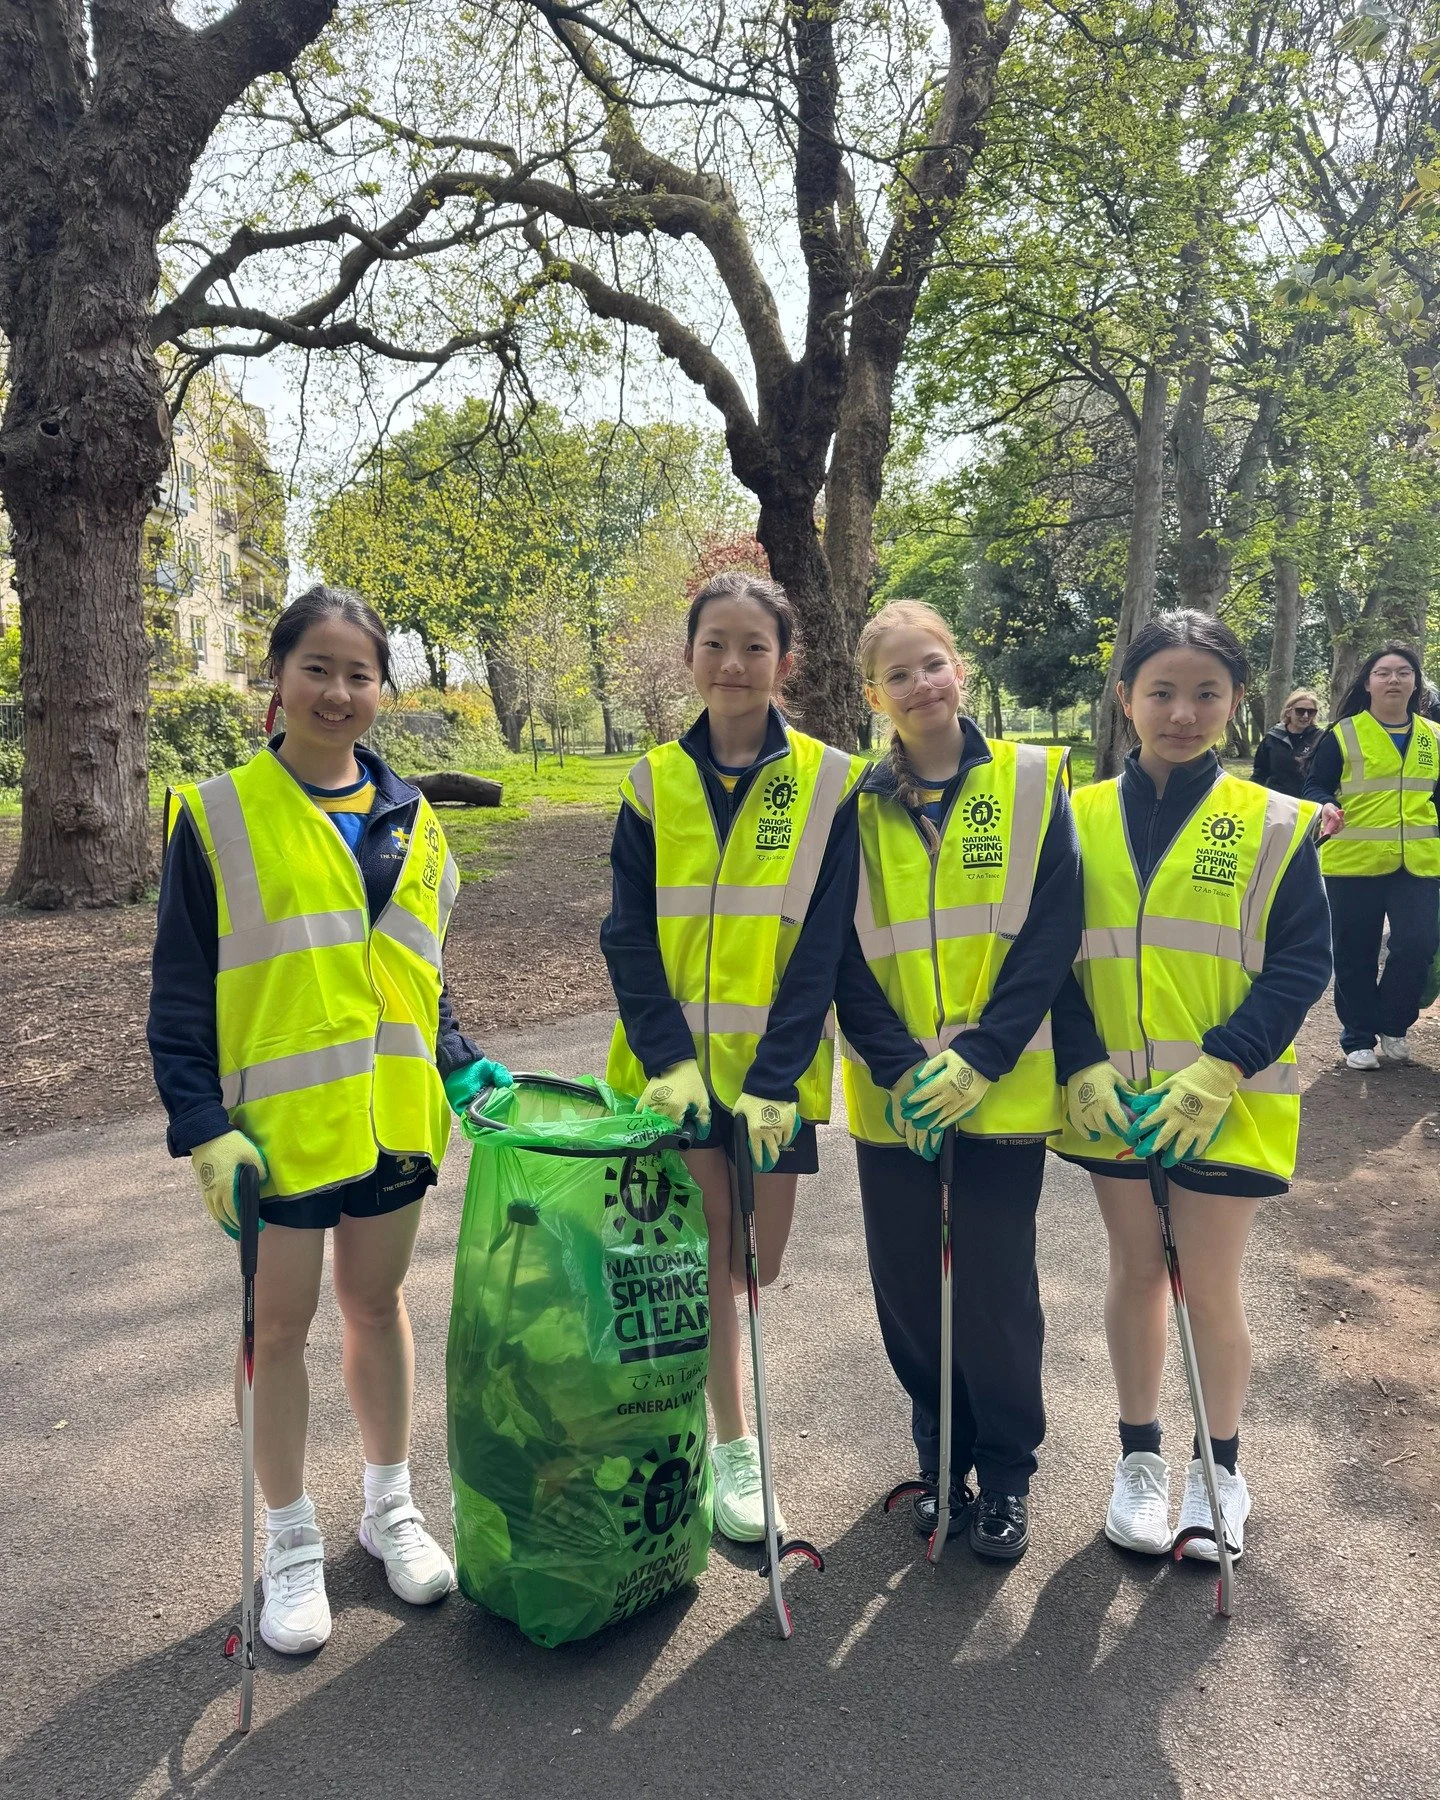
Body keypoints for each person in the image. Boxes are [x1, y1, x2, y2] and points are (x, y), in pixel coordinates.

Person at [148, 585, 509, 1656]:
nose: (339, 691)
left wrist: (460, 1062)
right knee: (278, 1329)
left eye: (360, 674)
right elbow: (179, 993)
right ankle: (291, 1539)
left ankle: (388, 1508)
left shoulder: (418, 818)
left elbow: (418, 978)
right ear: (278, 680)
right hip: (277, 1137)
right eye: (318, 669)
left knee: (377, 1302)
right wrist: (200, 1122)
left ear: (381, 690)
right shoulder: (215, 814)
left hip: (394, 1123)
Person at [1053, 609, 1330, 1565]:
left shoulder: (1276, 822)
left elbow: (1303, 962)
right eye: (1160, 691)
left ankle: (1221, 1474)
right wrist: (1079, 1059)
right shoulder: (1074, 817)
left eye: (1205, 693)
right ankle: (1138, 1464)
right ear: (1124, 698)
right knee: (1135, 1272)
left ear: (1237, 703)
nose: (1181, 712)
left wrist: (1220, 1068)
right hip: (1110, 1103)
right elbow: (1045, 956)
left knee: (1208, 1288)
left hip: (1227, 1099)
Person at [601, 571, 864, 1543]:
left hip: (773, 1084)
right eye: (715, 643)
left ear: (785, 662)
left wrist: (771, 1080)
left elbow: (824, 948)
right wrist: (668, 1061)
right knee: (703, 1259)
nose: (734, 663)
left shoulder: (834, 786)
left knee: (757, 1261)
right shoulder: (650, 785)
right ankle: (729, 1446)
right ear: (689, 658)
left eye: (756, 646)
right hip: (668, 1081)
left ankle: (717, 1420)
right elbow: (627, 937)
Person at [833, 600, 1081, 1562]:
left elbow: (1054, 930)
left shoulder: (1030, 781)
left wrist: (980, 1056)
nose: (919, 686)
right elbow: (840, 952)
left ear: (960, 669)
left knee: (993, 1294)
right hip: (892, 1100)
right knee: (907, 1290)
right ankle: (940, 1461)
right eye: (897, 675)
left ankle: (1007, 1475)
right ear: (874, 695)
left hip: (1003, 1092)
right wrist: (901, 1070)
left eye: (931, 664)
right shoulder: (852, 804)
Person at [1302, 643, 1440, 1070]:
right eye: (1383, 672)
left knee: (1418, 945)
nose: (1393, 680)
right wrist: (1324, 806)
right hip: (1353, 862)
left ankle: (1394, 1024)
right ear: (1368, 682)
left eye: (1403, 672)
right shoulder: (1343, 733)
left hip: (1418, 862)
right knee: (1354, 952)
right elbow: (1315, 786)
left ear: (1416, 681)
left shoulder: (1434, 736)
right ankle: (1357, 1036)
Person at [1251, 688, 1323, 796]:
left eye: (1311, 712)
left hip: (1310, 802)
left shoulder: (1320, 738)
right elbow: (1260, 773)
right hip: (1278, 801)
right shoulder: (1272, 738)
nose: (1305, 716)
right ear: (1288, 712)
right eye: (1300, 711)